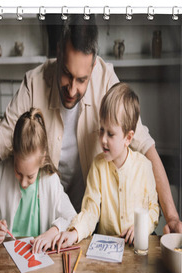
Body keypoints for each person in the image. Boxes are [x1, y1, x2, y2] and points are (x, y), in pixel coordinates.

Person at [0, 14, 181, 247]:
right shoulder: (34, 82)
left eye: (82, 80)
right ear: (58, 53)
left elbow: (144, 145)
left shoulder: (106, 78)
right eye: (67, 74)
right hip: (50, 225)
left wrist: (171, 217)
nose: (72, 89)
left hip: (91, 221)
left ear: (94, 65)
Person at [54, 83, 159, 249]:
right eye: (101, 130)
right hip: (105, 253)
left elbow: (153, 210)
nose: (103, 139)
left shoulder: (144, 167)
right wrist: (74, 233)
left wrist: (142, 228)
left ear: (128, 138)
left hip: (136, 249)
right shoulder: (98, 166)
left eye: (110, 134)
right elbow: (91, 211)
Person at [0, 108, 76, 253]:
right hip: (7, 256)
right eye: (18, 173)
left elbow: (72, 218)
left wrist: (53, 232)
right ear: (14, 153)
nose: (23, 183)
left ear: (43, 158)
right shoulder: (2, 172)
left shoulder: (50, 180)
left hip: (39, 257)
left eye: (30, 176)